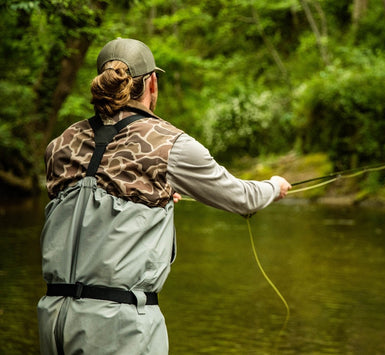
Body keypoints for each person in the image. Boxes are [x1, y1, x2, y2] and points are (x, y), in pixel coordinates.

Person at [38, 37, 291, 355]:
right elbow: (242, 198)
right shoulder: (170, 144)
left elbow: (89, 204)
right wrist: (274, 186)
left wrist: (153, 201)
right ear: (152, 84)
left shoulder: (61, 144)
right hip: (119, 327)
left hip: (53, 318)